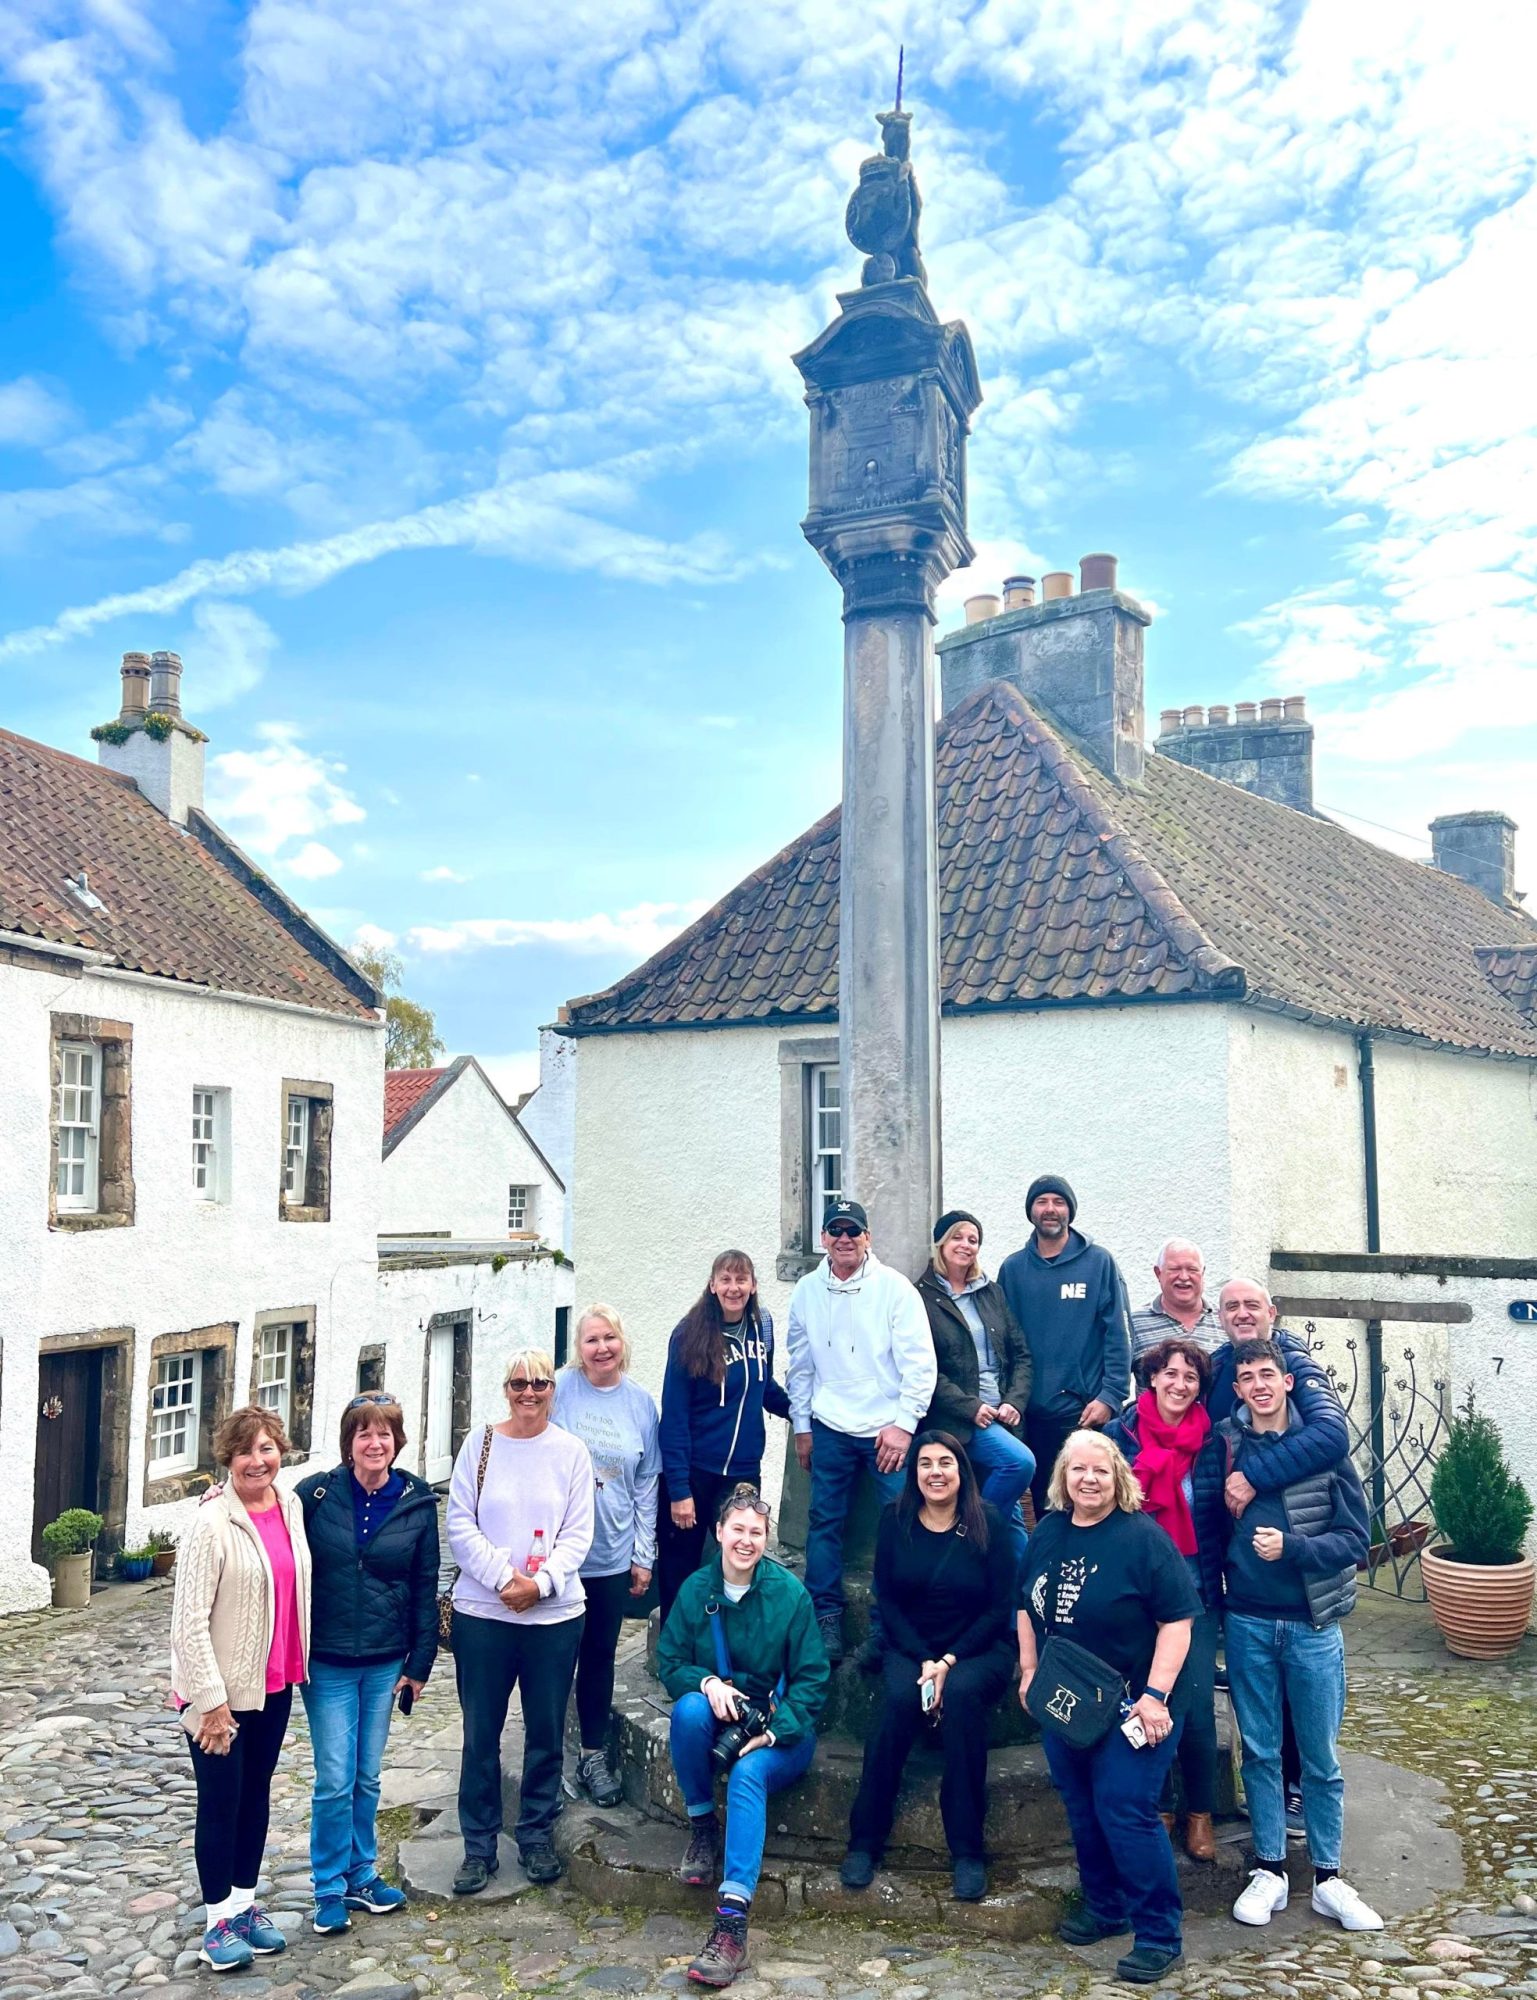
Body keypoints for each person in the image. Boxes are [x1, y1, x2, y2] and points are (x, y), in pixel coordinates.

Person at [1018, 1431, 1198, 1987]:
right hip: (1065, 1699)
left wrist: (1155, 1696)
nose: (1089, 1479)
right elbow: (1024, 1605)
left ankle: (1160, 1936)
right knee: (1081, 1804)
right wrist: (1028, 1670)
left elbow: (1177, 1621)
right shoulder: (1048, 1532)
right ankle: (1105, 1907)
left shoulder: (1144, 1539)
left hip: (1136, 1702)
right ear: (1063, 1477)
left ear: (1118, 1477)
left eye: (1100, 1469)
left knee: (1125, 1808)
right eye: (1078, 1469)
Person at [1219, 1341, 1382, 1933]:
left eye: (1268, 1374)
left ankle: (1328, 1879)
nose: (1259, 1385)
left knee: (1319, 1758)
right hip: (1248, 1622)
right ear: (1237, 1390)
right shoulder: (1226, 1444)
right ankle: (1270, 1870)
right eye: (1247, 1378)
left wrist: (1294, 1549)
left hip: (1313, 1625)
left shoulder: (1323, 1449)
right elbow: (1209, 1524)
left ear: (1287, 1382)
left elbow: (1356, 1540)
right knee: (1260, 1752)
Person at [657, 1485, 829, 1988]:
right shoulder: (696, 1590)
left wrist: (774, 1732)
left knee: (748, 1773)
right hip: (719, 1716)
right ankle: (703, 1826)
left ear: (766, 1538)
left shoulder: (790, 1594)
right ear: (719, 1532)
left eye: (756, 1532)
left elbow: (813, 1679)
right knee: (688, 1711)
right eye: (737, 1530)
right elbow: (670, 1662)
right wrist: (707, 1683)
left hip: (782, 1728)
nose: (746, 1541)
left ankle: (731, 1924)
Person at [841, 1432, 1017, 1901]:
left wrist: (948, 1661)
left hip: (977, 1650)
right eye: (925, 1463)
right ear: (913, 1472)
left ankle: (967, 1850)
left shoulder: (988, 1522)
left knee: (960, 1696)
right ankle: (864, 1841)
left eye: (945, 1463)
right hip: (912, 1647)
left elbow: (1000, 1607)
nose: (935, 1472)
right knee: (899, 1699)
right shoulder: (894, 1518)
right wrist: (924, 1659)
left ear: (962, 1471)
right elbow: (888, 1601)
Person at [170, 1405, 312, 1972]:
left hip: (274, 1683)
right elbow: (188, 1623)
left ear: (281, 1452)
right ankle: (216, 1923)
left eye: (267, 1448)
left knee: (256, 1794)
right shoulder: (210, 1523)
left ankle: (245, 1906)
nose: (258, 1460)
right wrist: (210, 1702)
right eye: (246, 1450)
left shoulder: (291, 1506)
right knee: (221, 1801)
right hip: (220, 1696)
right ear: (228, 1458)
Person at [447, 1346, 594, 1894]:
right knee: (480, 1735)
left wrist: (541, 1584)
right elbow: (459, 1524)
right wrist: (504, 1579)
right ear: (505, 1390)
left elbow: (578, 1532)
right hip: (483, 1615)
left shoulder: (571, 1452)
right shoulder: (479, 1445)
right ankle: (478, 1846)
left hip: (553, 1619)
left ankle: (535, 1836)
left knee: (545, 1734)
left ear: (553, 1390)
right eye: (518, 1384)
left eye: (539, 1383)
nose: (528, 1393)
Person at [1210, 1276, 1352, 1839]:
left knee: (1316, 1747)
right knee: (1259, 1740)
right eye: (1232, 1306)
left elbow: (1331, 1441)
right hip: (1247, 1610)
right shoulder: (1221, 1388)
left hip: (1309, 1613)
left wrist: (1255, 1480)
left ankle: (1325, 1861)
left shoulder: (1300, 1369)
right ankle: (1269, 1853)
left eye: (1252, 1305)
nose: (1243, 1313)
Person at [297, 1391, 440, 1935]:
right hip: (327, 1660)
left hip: (385, 1661)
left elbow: (426, 1585)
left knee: (367, 1776)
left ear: (397, 1442)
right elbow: (265, 1520)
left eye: (384, 1433)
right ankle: (328, 1886)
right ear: (349, 1442)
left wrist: (420, 1663)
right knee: (335, 1777)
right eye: (364, 1433)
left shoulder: (417, 1502)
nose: (375, 1443)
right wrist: (222, 1499)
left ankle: (362, 1873)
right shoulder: (315, 1495)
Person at [787, 1197, 936, 1663]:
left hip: (885, 1429)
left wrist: (904, 1426)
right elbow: (800, 1366)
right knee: (823, 1521)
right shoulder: (806, 1292)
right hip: (830, 1426)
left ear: (868, 1237)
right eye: (836, 1230)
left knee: (900, 1525)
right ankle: (826, 1619)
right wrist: (803, 1426)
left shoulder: (895, 1289)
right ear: (823, 1238)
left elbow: (920, 1365)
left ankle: (885, 1625)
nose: (845, 1238)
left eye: (854, 1230)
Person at [1106, 1340, 1226, 1862]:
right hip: (1136, 1594)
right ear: (1152, 1378)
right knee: (1141, 1701)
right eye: (1170, 1374)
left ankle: (1199, 1811)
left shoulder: (1214, 1443)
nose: (1179, 1384)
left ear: (1200, 1389)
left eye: (1191, 1378)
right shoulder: (1120, 1436)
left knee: (1194, 1707)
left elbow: (1222, 1518)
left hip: (1195, 1593)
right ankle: (1156, 1805)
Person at [553, 1304, 661, 1807]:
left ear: (622, 1342)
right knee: (552, 1661)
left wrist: (644, 1554)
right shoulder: (559, 1390)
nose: (602, 1348)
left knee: (598, 1658)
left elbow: (646, 1484)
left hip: (611, 1555)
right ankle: (546, 1762)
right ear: (578, 1349)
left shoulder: (640, 1404)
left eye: (609, 1338)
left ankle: (592, 1755)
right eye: (591, 1340)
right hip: (557, 1557)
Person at [659, 1251, 790, 1624]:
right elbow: (674, 1416)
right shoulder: (688, 1334)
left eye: (741, 1279)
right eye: (726, 1280)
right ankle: (675, 1646)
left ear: (753, 1285)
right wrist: (679, 1490)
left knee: (738, 1564)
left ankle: (727, 1646)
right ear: (713, 1285)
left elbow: (762, 1387)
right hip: (695, 1472)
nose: (734, 1288)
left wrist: (804, 1413)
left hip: (743, 1473)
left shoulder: (762, 1327)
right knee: (681, 1572)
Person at [998, 1174, 1133, 1518]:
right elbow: (1003, 1344)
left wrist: (1110, 1396)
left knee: (1091, 1504)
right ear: (1030, 1211)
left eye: (1058, 1202)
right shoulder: (1013, 1269)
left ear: (1070, 1211)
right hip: (1031, 1414)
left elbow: (1117, 1335)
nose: (1050, 1209)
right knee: (1046, 1508)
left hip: (1085, 1413)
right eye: (1041, 1202)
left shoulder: (1098, 1263)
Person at [915, 1211, 1035, 1570]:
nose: (966, 1245)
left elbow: (1021, 1355)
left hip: (1002, 1417)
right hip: (958, 1421)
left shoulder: (990, 1292)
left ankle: (1022, 1597)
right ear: (940, 1243)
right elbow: (923, 1370)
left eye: (973, 1239)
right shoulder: (921, 1297)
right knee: (1019, 1463)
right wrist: (970, 1407)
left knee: (1013, 1518)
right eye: (957, 1237)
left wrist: (1014, 1402)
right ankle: (965, 1541)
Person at [1130, 1240, 1223, 1358]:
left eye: (1192, 1269)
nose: (1184, 1277)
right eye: (1174, 1269)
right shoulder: (1134, 1324)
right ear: (1158, 1273)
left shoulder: (1223, 1320)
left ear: (1202, 1273)